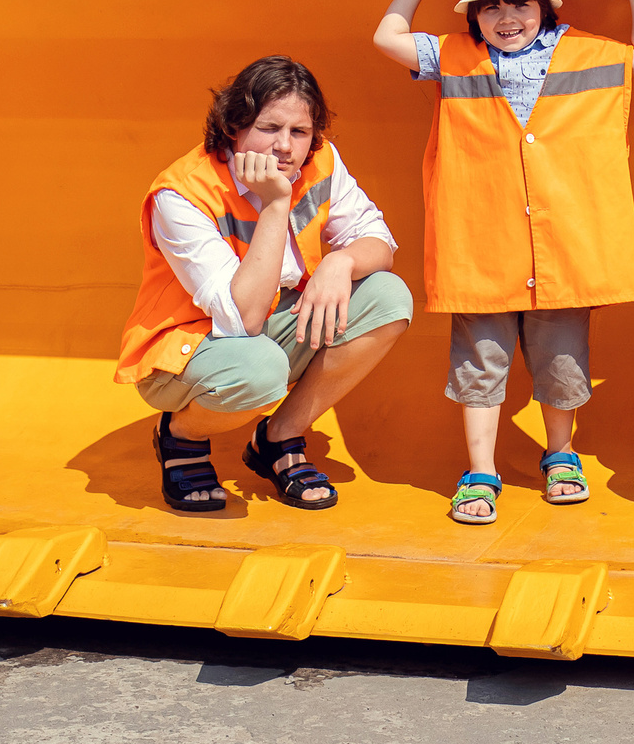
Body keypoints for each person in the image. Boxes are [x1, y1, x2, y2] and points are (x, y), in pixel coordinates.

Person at [374, 0, 634, 524]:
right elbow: (387, 37)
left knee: (562, 359)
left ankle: (562, 455)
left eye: (522, 5)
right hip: (482, 244)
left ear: (545, 8)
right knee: (480, 362)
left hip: (561, 248)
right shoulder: (452, 57)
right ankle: (481, 472)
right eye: (491, 8)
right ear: (473, 16)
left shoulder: (585, 55)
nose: (508, 18)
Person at [117, 55, 412, 512]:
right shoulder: (181, 195)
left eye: (299, 132)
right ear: (235, 127)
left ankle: (278, 437)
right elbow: (243, 318)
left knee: (388, 297)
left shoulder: (320, 162)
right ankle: (181, 436)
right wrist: (276, 204)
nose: (285, 147)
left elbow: (380, 242)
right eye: (268, 128)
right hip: (188, 348)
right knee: (259, 370)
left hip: (272, 328)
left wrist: (341, 262)